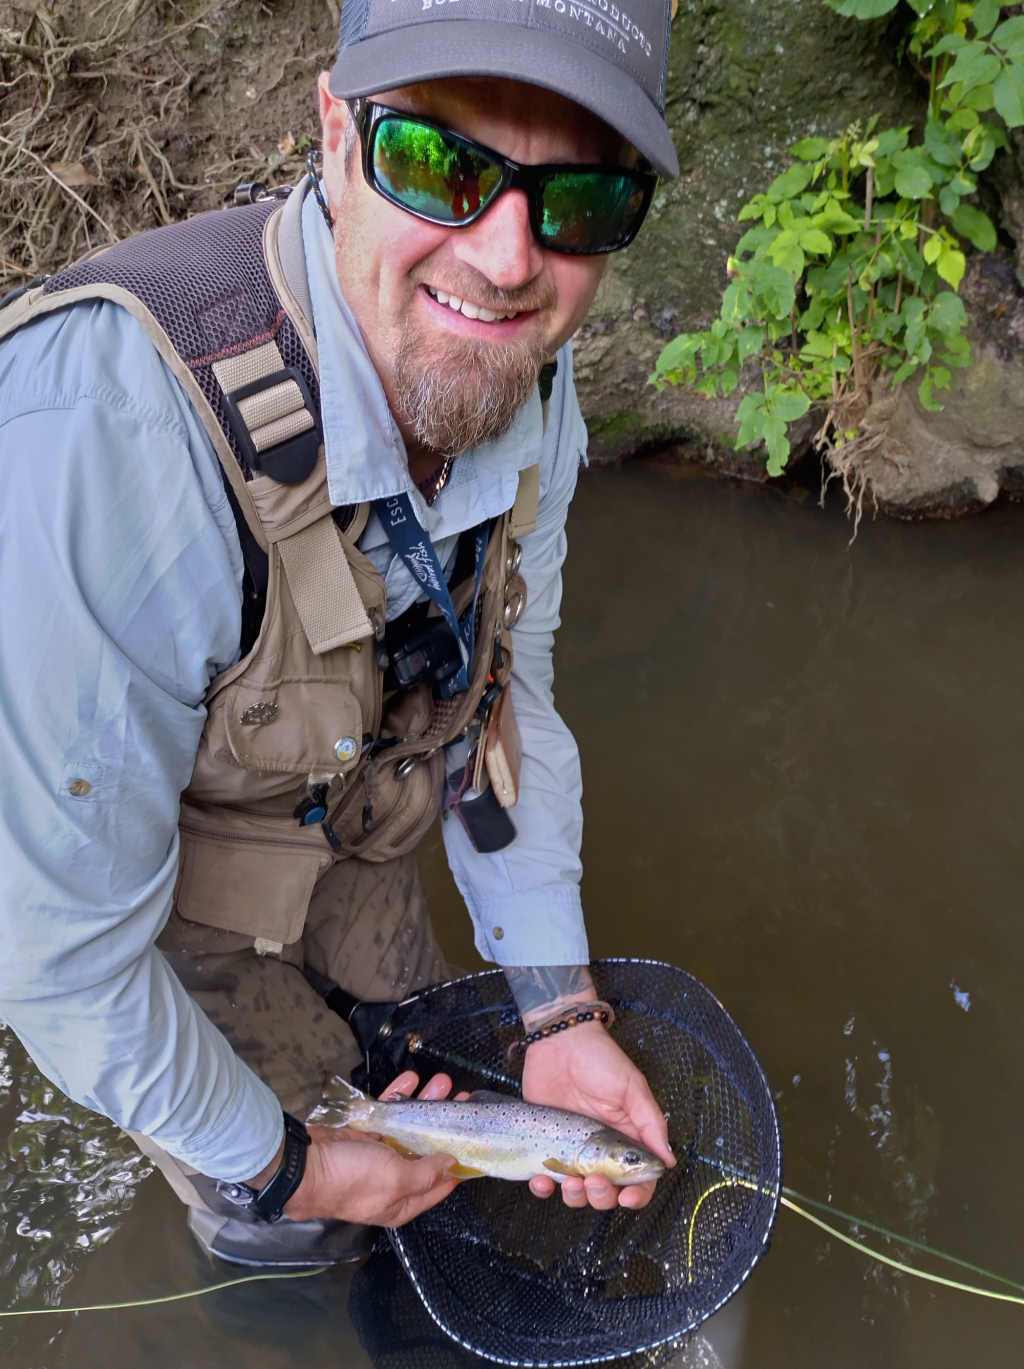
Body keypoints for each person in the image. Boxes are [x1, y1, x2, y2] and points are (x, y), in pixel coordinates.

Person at [0, 0, 680, 1267]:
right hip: (139, 906)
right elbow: (60, 960)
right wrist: (286, 1171)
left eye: (578, 198)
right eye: (439, 163)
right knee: (286, 1232)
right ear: (332, 133)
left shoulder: (521, 371)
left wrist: (557, 1007)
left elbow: (505, 703)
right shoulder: (104, 435)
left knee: (434, 1063)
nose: (507, 256)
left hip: (356, 816)